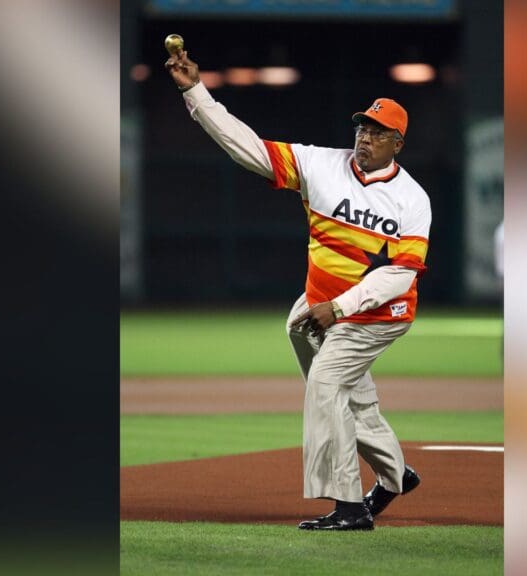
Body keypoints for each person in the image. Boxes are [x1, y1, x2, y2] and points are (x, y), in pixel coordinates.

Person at [166, 50, 430, 531]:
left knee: (327, 384)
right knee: (338, 379)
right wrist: (194, 92)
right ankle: (395, 474)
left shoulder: (412, 199)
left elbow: (401, 275)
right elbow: (246, 146)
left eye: (377, 132)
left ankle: (350, 508)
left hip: (378, 314)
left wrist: (341, 306)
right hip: (322, 304)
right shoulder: (320, 165)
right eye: (362, 128)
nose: (365, 137)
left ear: (398, 143)